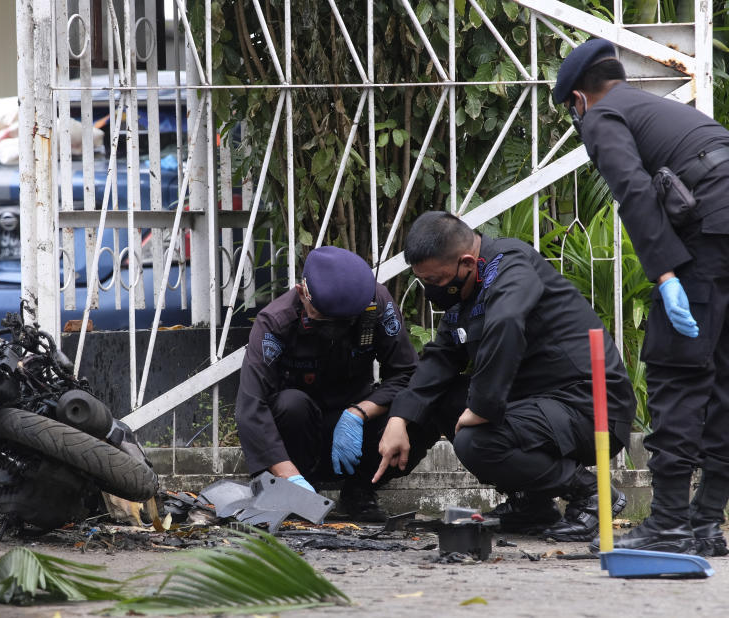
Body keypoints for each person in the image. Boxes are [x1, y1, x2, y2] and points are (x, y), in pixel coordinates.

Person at [552, 38, 729, 555]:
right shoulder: (665, 112)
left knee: (678, 372)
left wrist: (665, 274)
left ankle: (671, 523)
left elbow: (631, 188)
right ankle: (706, 523)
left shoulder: (603, 117)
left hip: (705, 239)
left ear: (581, 98)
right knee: (722, 375)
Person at [374, 212, 636, 542]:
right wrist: (399, 417)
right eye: (425, 281)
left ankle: (592, 495)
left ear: (467, 262)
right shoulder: (466, 293)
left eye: (437, 282)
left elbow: (506, 321)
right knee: (443, 400)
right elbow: (440, 357)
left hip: (590, 404)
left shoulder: (512, 264)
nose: (432, 292)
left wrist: (481, 408)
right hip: (540, 405)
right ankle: (531, 504)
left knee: (477, 440)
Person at [234, 246, 417, 521]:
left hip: (355, 430)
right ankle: (301, 495)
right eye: (324, 319)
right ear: (301, 293)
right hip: (299, 438)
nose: (334, 329)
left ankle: (360, 493)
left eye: (343, 322)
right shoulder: (276, 322)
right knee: (290, 405)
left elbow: (407, 374)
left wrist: (360, 412)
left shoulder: (374, 304)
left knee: (416, 411)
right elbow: (251, 406)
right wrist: (289, 476)